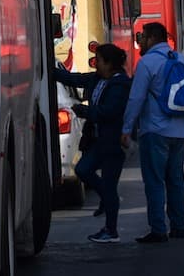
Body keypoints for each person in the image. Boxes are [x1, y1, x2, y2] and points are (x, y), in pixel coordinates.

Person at [121, 22, 184, 243]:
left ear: (153, 38)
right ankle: (179, 226)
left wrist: (127, 128)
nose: (141, 42)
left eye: (143, 37)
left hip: (155, 131)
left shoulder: (147, 63)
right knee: (176, 180)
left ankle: (158, 229)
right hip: (180, 132)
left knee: (155, 181)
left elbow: (136, 98)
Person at [54, 43, 132, 243]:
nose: (96, 64)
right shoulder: (98, 79)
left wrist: (85, 111)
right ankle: (107, 199)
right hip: (98, 141)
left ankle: (111, 229)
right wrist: (49, 69)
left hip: (112, 142)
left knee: (108, 184)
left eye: (99, 60)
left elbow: (110, 112)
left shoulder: (120, 85)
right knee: (82, 169)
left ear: (109, 63)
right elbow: (75, 79)